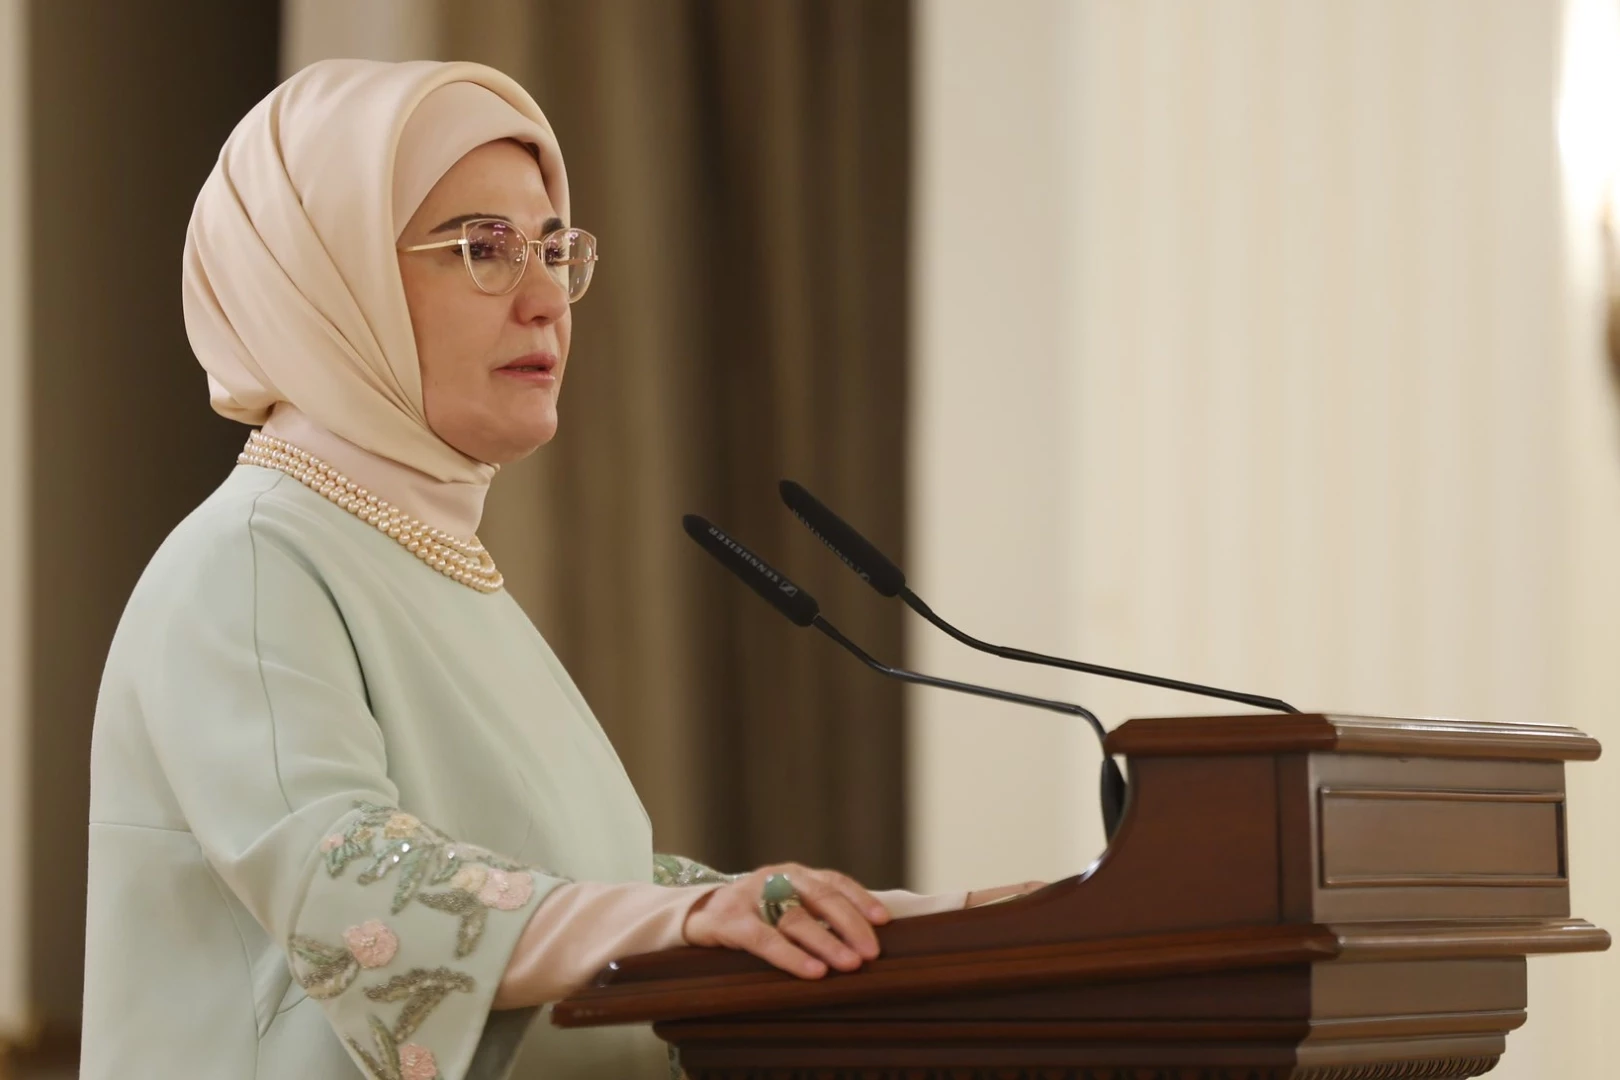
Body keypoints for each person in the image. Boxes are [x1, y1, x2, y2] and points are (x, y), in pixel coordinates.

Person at [80, 59, 1037, 1080]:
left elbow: (589, 882)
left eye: (553, 249)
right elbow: (354, 887)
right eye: (482, 249)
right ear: (323, 278)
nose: (545, 300)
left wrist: (948, 923)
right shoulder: (250, 562)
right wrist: (692, 919)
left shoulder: (424, 557)